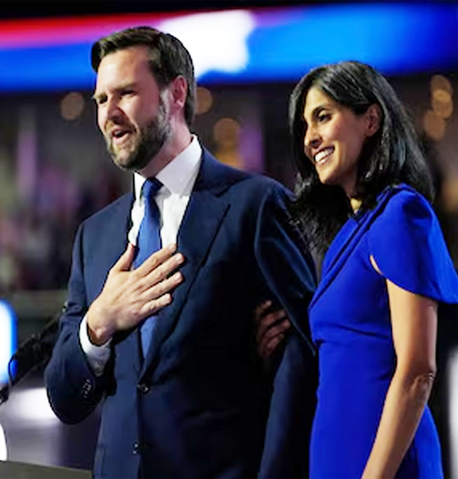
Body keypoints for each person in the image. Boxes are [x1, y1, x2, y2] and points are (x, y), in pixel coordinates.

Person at [44, 26, 317, 479]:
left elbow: (306, 360)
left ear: (176, 93)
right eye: (100, 99)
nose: (109, 113)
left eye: (126, 93)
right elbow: (65, 398)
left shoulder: (255, 205)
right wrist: (99, 322)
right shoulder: (94, 236)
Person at [286, 60, 458, 478]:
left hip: (385, 465)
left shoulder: (400, 214)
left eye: (323, 116)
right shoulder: (348, 233)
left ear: (370, 120)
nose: (310, 138)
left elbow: (417, 371)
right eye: (305, 126)